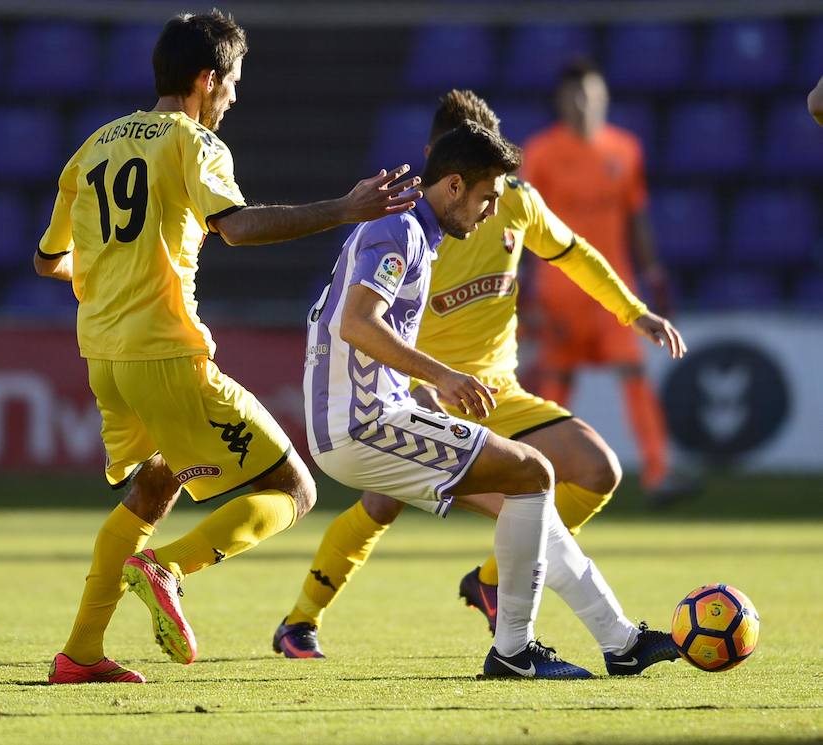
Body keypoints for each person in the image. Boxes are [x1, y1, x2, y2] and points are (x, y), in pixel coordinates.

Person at [34, 10, 420, 685]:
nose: (235, 97)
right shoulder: (192, 142)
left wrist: (108, 273)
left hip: (104, 360)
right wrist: (344, 208)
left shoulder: (92, 147)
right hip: (165, 355)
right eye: (233, 82)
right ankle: (167, 568)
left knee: (153, 487)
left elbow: (48, 261)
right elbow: (236, 228)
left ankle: (81, 654)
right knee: (293, 488)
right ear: (206, 79)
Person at [274, 91, 686, 676]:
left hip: (405, 407)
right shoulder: (400, 230)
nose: (495, 208)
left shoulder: (431, 228)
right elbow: (353, 323)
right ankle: (511, 650)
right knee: (525, 475)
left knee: (531, 495)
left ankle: (620, 642)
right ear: (452, 182)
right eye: (488, 195)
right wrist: (439, 376)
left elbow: (343, 318)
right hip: (367, 421)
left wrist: (631, 310)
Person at [522, 59, 688, 503]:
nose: (582, 104)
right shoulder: (539, 153)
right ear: (560, 100)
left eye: (591, 95)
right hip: (559, 292)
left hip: (615, 289)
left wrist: (654, 273)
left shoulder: (625, 149)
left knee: (634, 373)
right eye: (575, 95)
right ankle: (537, 478)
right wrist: (521, 292)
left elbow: (637, 217)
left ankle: (659, 473)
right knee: (555, 384)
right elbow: (516, 225)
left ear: (604, 98)